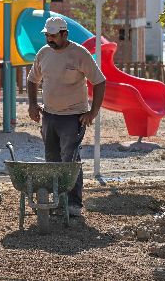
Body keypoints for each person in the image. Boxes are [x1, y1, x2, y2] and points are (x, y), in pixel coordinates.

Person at [25, 16, 106, 217]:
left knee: (69, 159)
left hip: (73, 117)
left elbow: (99, 82)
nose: (49, 39)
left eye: (53, 36)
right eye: (47, 35)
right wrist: (33, 104)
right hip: (49, 115)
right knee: (51, 159)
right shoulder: (44, 54)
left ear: (64, 34)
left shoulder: (79, 54)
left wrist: (92, 112)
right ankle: (56, 200)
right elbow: (32, 79)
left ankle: (74, 203)